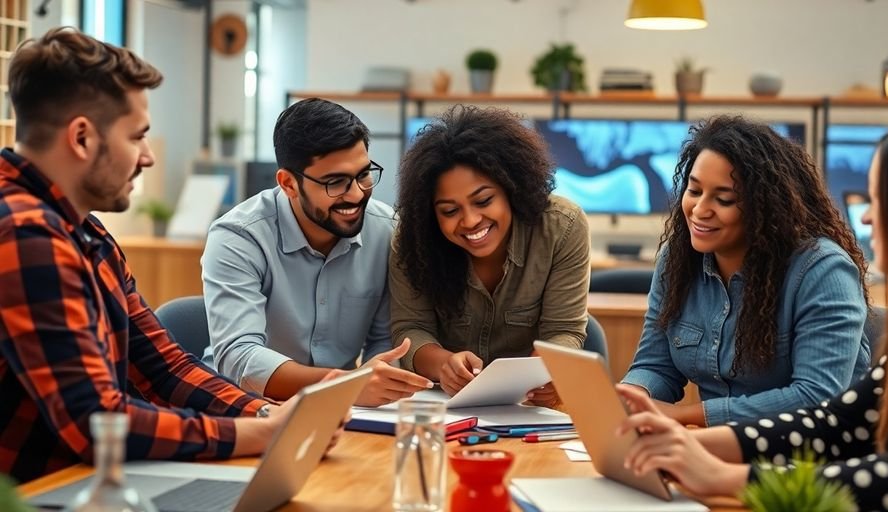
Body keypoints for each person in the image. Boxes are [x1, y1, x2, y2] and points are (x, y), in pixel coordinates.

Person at [616, 113, 888, 510]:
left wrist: (725, 476)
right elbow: (838, 423)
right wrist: (690, 445)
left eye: (879, 198)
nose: (865, 215)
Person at [0, 28, 305, 484]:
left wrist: (265, 412)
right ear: (82, 138)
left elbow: (164, 367)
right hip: (40, 493)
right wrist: (252, 434)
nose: (147, 157)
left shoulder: (85, 232)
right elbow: (95, 422)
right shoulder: (24, 234)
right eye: (137, 136)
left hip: (87, 485)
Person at [621, 116, 872, 426]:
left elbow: (814, 396)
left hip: (806, 458)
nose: (699, 211)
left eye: (724, 199)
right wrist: (631, 397)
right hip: (711, 450)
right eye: (694, 191)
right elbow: (656, 366)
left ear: (766, 206)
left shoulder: (821, 270)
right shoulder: (678, 258)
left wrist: (686, 417)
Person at [201, 98, 432, 406]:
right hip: (243, 405)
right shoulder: (238, 237)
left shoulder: (386, 230)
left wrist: (378, 380)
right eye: (335, 182)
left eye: (363, 174)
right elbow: (239, 358)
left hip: (344, 411)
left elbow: (384, 343)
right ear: (288, 183)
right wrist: (346, 385)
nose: (356, 194)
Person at [390, 105, 590, 407]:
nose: (470, 221)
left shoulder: (562, 227)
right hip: (443, 406)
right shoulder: (412, 240)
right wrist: (444, 364)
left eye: (483, 200)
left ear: (512, 188)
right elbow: (410, 328)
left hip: (529, 408)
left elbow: (563, 331)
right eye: (450, 211)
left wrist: (551, 372)